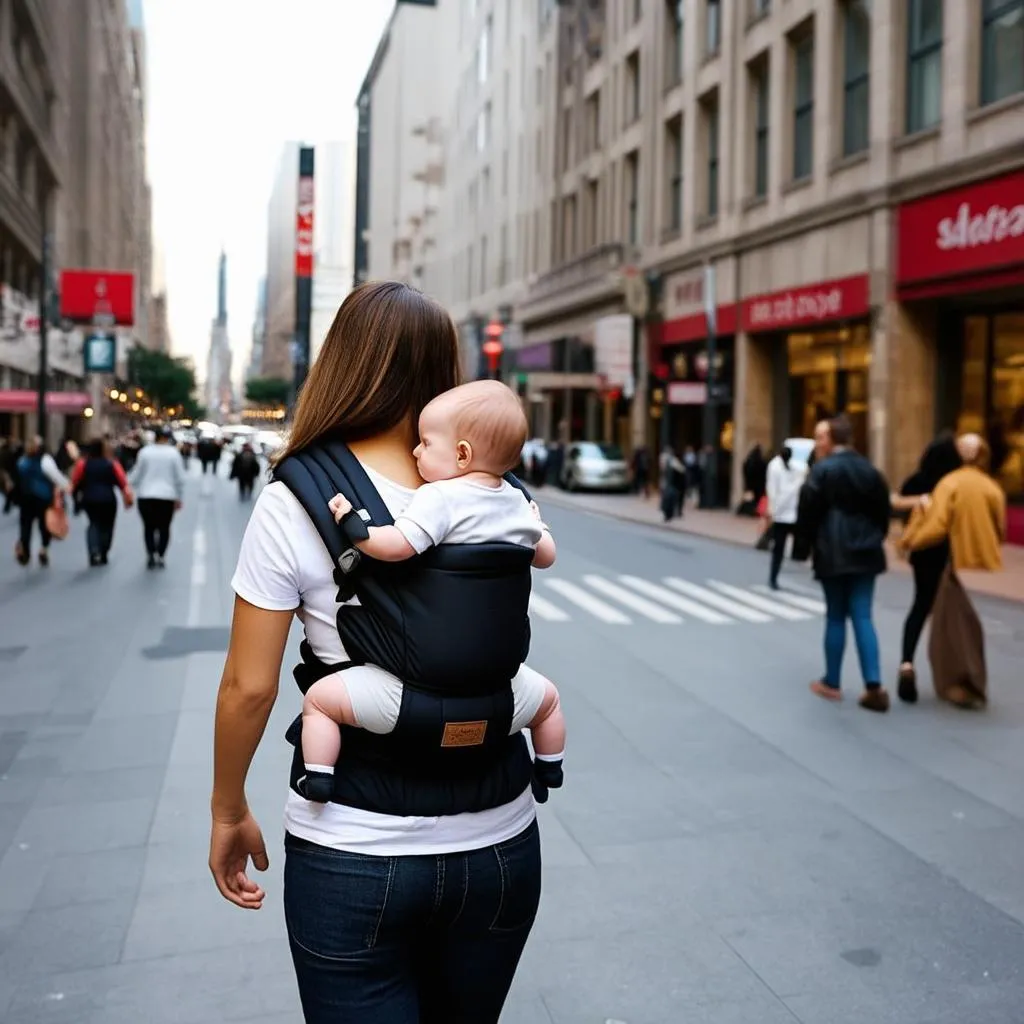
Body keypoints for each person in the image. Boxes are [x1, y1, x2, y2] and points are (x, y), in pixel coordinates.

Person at [211, 282, 544, 1022]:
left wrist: (227, 808)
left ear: (343, 363)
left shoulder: (296, 496)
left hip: (354, 849)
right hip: (500, 841)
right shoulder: (498, 488)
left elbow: (249, 688)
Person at [298, 379, 565, 805]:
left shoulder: (440, 498)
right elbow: (545, 555)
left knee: (321, 702)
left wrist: (353, 526)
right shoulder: (516, 500)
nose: (416, 452)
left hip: (412, 689)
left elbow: (396, 547)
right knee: (548, 701)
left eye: (425, 443)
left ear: (462, 454)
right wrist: (539, 522)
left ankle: (320, 776)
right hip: (499, 684)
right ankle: (550, 766)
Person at [797, 416, 891, 712]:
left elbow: (808, 513)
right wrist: (875, 537)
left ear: (832, 440)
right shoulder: (869, 470)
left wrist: (804, 550)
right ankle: (873, 684)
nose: (817, 444)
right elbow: (883, 511)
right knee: (863, 614)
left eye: (820, 438)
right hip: (866, 549)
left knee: (836, 615)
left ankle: (832, 682)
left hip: (832, 549)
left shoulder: (821, 471)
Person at [889, 435, 962, 703]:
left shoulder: (918, 479)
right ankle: (952, 671)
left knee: (921, 605)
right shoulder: (952, 485)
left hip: (920, 553)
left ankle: (907, 662)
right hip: (945, 553)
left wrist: (918, 500)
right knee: (943, 611)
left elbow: (895, 501)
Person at [70, 439, 135, 566]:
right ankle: (104, 550)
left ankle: (93, 550)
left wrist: (75, 499)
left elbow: (75, 481)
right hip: (108, 499)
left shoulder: (83, 464)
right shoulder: (112, 464)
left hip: (89, 498)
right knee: (107, 526)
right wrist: (127, 497)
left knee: (93, 524)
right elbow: (122, 482)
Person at [130, 425, 185, 568]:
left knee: (148, 527)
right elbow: (179, 478)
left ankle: (150, 553)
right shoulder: (174, 453)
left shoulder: (145, 452)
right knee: (164, 527)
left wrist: (128, 485)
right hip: (167, 496)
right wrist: (179, 497)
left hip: (146, 495)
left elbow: (137, 473)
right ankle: (160, 554)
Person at [14, 437, 70, 566]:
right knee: (44, 525)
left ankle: (25, 550)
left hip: (26, 498)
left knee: (25, 525)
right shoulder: (45, 460)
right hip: (43, 498)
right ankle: (44, 549)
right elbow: (56, 476)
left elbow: (18, 479)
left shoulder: (22, 461)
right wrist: (66, 486)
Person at [765, 444, 808, 589]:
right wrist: (771, 510)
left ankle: (774, 577)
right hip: (782, 513)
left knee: (781, 547)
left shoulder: (794, 466)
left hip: (788, 512)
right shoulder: (776, 466)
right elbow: (772, 489)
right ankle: (773, 577)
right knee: (779, 548)